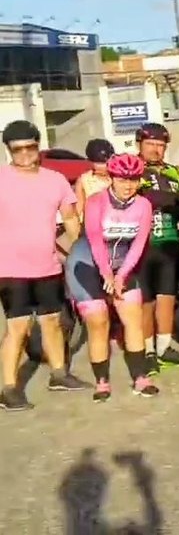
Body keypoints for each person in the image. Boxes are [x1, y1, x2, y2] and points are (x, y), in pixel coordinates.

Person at [0, 120, 88, 411]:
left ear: (38, 146)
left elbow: (71, 217)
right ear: (9, 150)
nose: (25, 153)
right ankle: (9, 389)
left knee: (52, 322)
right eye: (18, 149)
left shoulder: (55, 180)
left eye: (30, 147)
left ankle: (59, 374)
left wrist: (80, 250)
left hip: (48, 266)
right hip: (11, 270)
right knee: (19, 329)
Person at [65, 154, 158, 401]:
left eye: (134, 180)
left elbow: (139, 245)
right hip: (87, 264)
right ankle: (102, 381)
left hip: (123, 264)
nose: (128, 185)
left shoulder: (143, 205)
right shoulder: (97, 201)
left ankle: (140, 377)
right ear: (112, 178)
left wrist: (122, 275)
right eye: (122, 179)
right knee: (99, 323)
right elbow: (95, 240)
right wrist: (107, 274)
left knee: (132, 319)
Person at [134, 122, 179, 373]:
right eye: (151, 144)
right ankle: (146, 351)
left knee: (167, 298)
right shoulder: (132, 169)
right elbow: (145, 198)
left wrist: (177, 201)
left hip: (170, 244)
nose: (156, 150)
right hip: (142, 246)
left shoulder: (173, 172)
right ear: (140, 144)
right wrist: (172, 200)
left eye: (161, 145)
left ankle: (164, 347)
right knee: (145, 302)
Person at [75, 138, 114, 219]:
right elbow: (79, 207)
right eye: (98, 163)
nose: (102, 167)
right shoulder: (84, 180)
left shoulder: (118, 177)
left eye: (105, 163)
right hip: (93, 223)